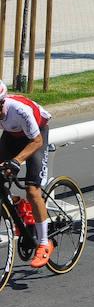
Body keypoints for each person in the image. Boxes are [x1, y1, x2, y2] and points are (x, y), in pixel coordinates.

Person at [0, 80, 54, 267]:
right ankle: (16, 204)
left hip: (36, 135)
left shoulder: (19, 110)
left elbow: (37, 141)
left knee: (32, 191)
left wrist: (17, 161)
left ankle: (44, 243)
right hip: (12, 135)